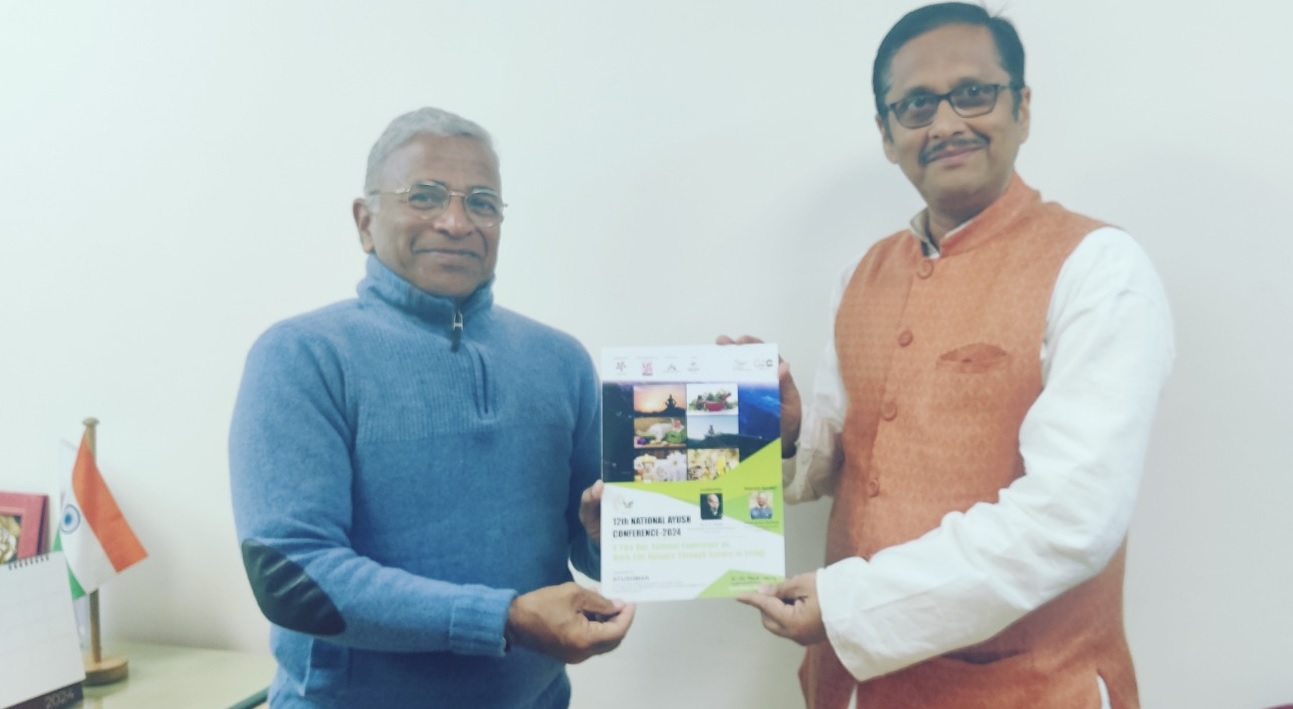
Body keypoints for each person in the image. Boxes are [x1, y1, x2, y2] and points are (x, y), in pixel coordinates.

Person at [731, 5, 1174, 708]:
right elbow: (855, 453)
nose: (944, 124)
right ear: (887, 135)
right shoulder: (862, 274)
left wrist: (849, 604)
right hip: (854, 687)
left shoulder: (1098, 267)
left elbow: (1070, 519)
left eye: (972, 93)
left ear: (1021, 108)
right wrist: (789, 431)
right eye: (915, 105)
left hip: (1029, 687)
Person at [229, 107, 635, 709]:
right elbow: (293, 578)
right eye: (424, 196)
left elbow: (593, 541)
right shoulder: (303, 357)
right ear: (365, 221)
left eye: (482, 202)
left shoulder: (562, 360)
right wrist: (503, 618)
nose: (456, 221)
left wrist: (618, 537)